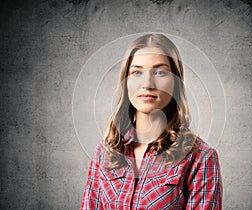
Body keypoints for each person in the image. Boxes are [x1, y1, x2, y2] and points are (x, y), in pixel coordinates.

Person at [80, 34, 222, 209]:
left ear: (175, 82)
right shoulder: (104, 153)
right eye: (137, 72)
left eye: (160, 72)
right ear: (125, 81)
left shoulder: (201, 157)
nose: (147, 83)